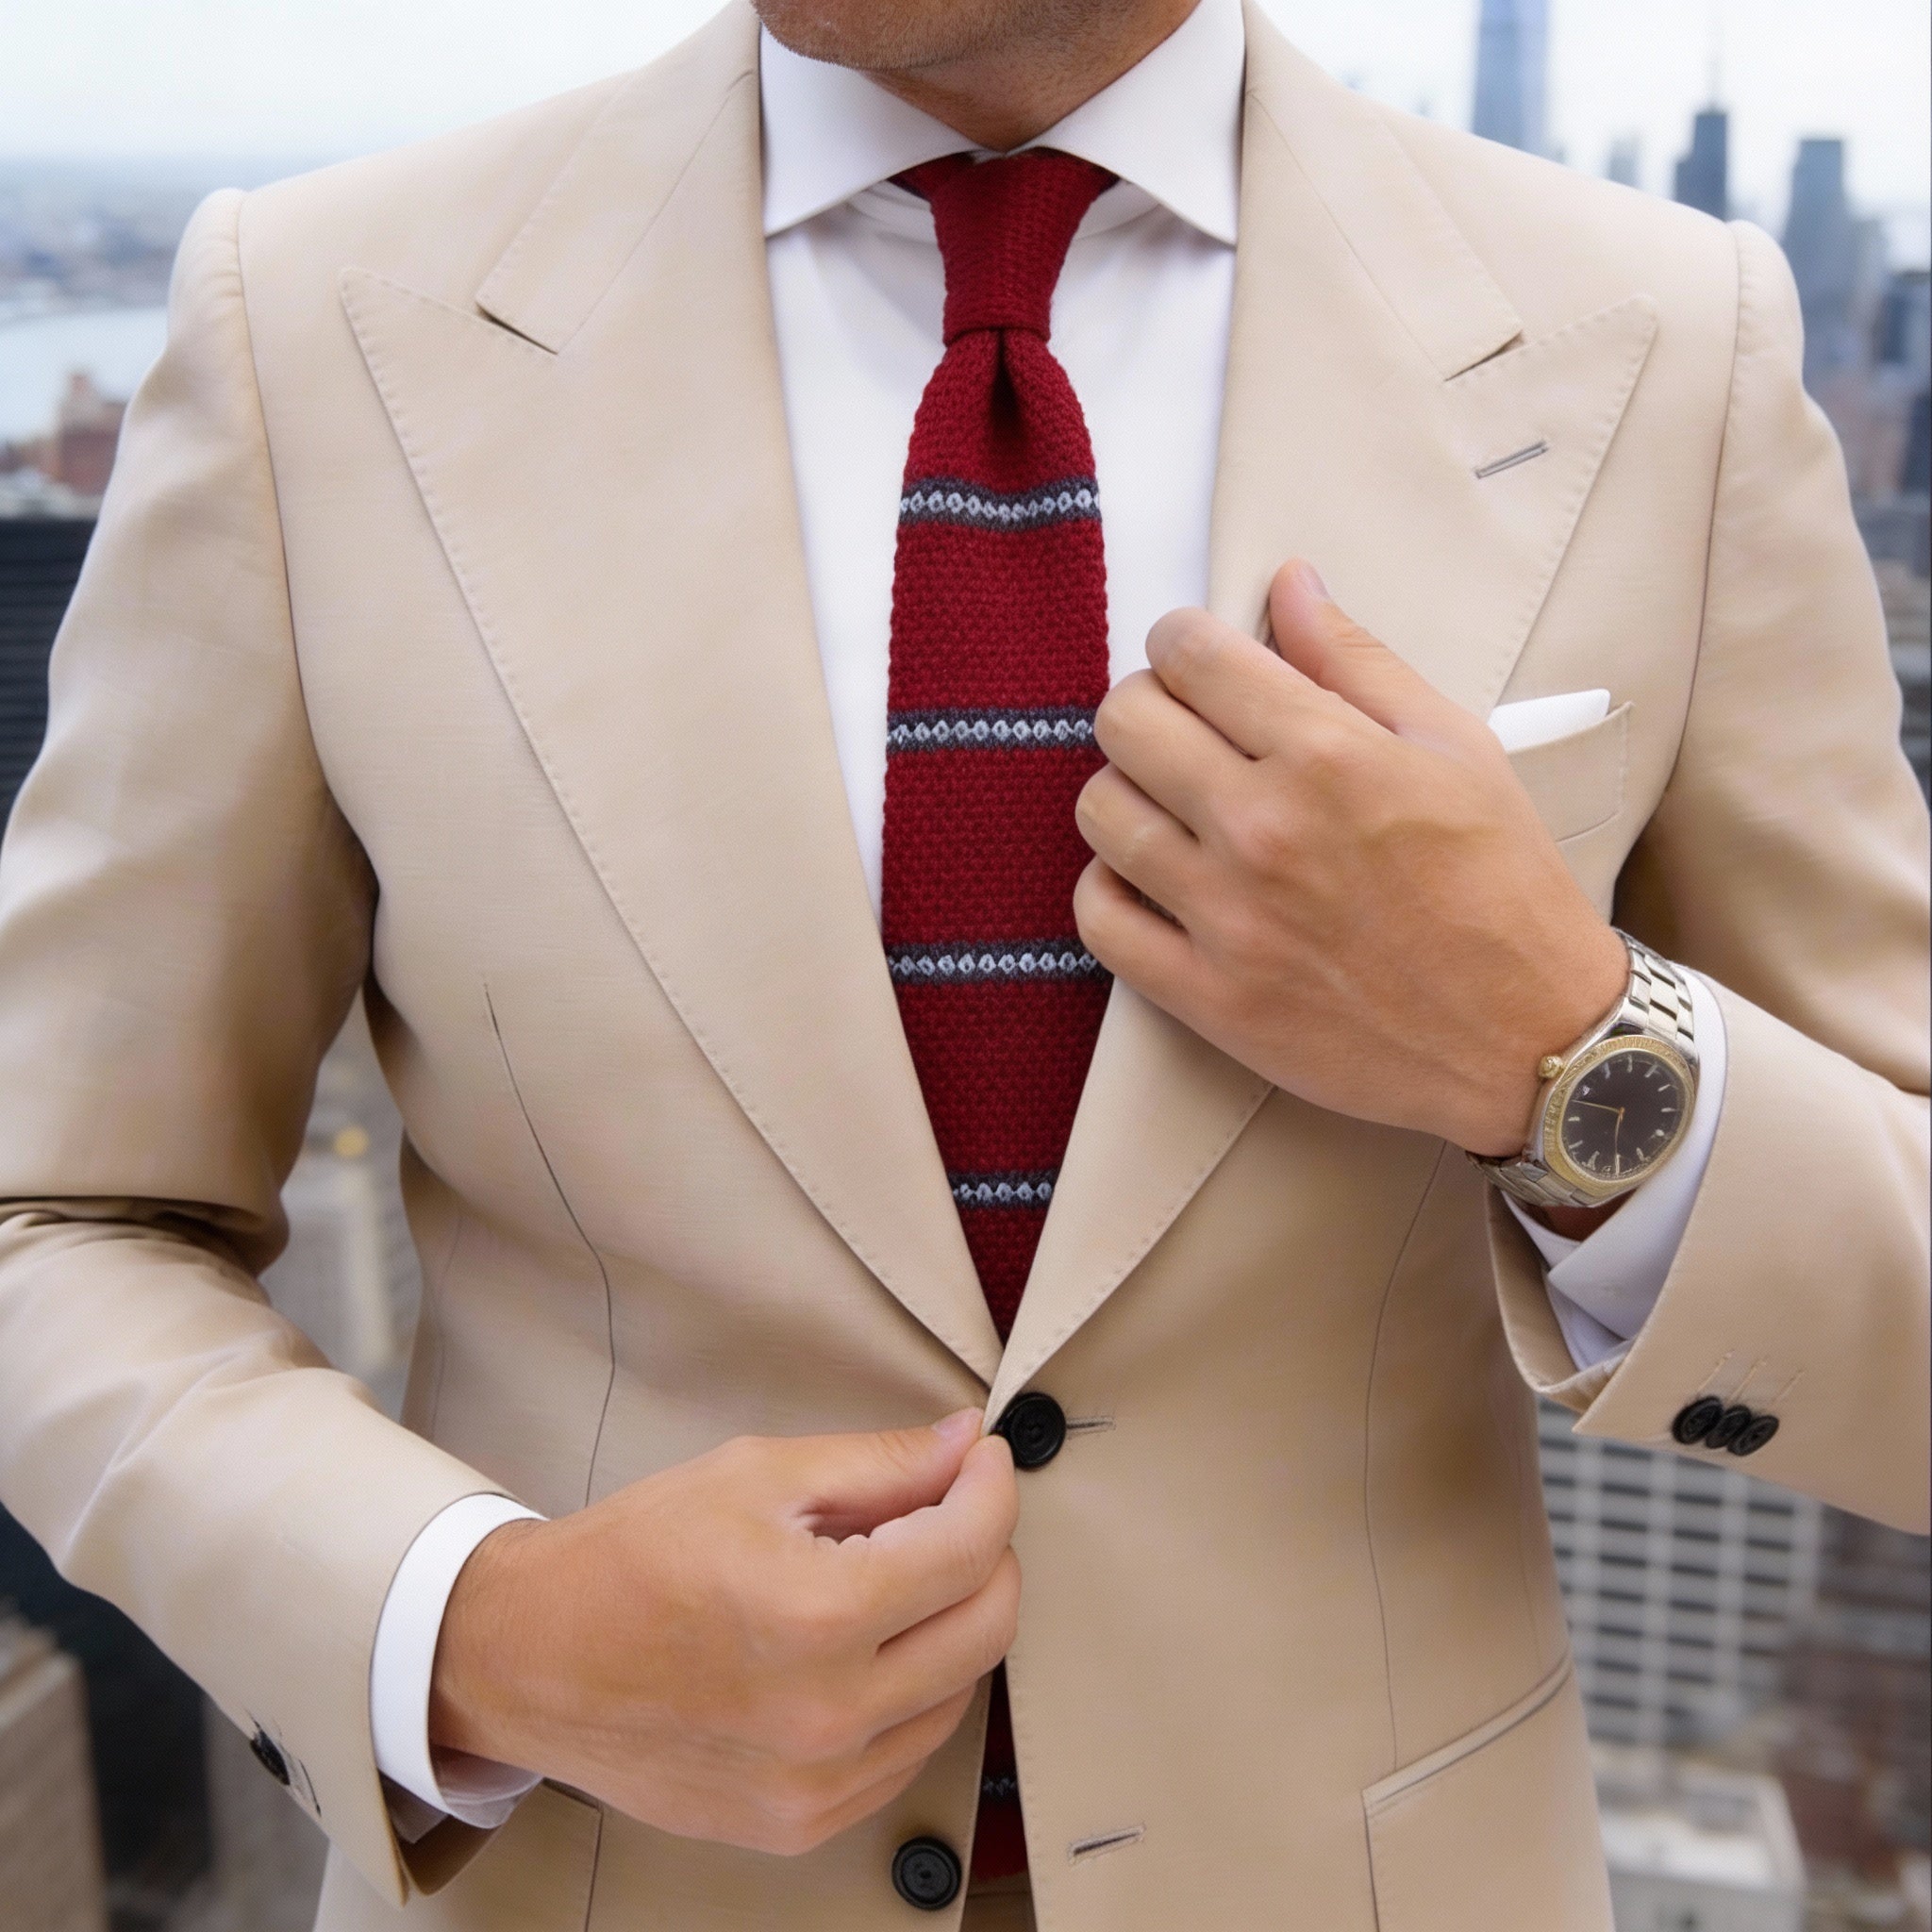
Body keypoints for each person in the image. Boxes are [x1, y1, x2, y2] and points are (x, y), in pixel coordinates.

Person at [0, 0, 1924, 1925]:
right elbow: (55, 1216)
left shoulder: (1670, 350)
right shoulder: (317, 320)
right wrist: (472, 1626)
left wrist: (1561, 1050)